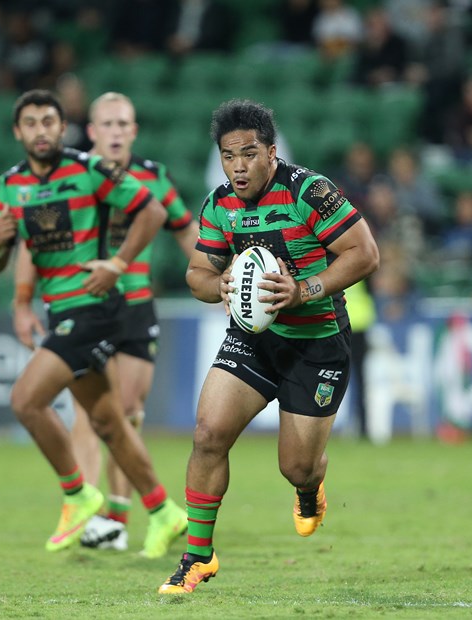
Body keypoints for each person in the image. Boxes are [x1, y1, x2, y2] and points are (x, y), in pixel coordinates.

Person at [158, 99, 380, 594]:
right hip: (255, 339)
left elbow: (365, 254)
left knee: (295, 466)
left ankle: (310, 485)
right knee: (208, 433)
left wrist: (303, 290)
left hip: (317, 343)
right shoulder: (219, 204)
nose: (238, 167)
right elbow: (196, 274)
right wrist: (218, 285)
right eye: (228, 156)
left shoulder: (309, 192)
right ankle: (198, 557)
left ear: (272, 153)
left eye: (249, 154)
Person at [0, 89, 186, 555]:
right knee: (109, 421)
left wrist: (118, 263)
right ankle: (163, 511)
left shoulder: (88, 169)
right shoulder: (10, 186)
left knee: (26, 400)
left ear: (63, 127)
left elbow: (152, 211)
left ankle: (77, 494)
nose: (40, 131)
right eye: (30, 123)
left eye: (48, 121)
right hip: (60, 311)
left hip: (93, 309)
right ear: (17, 132)